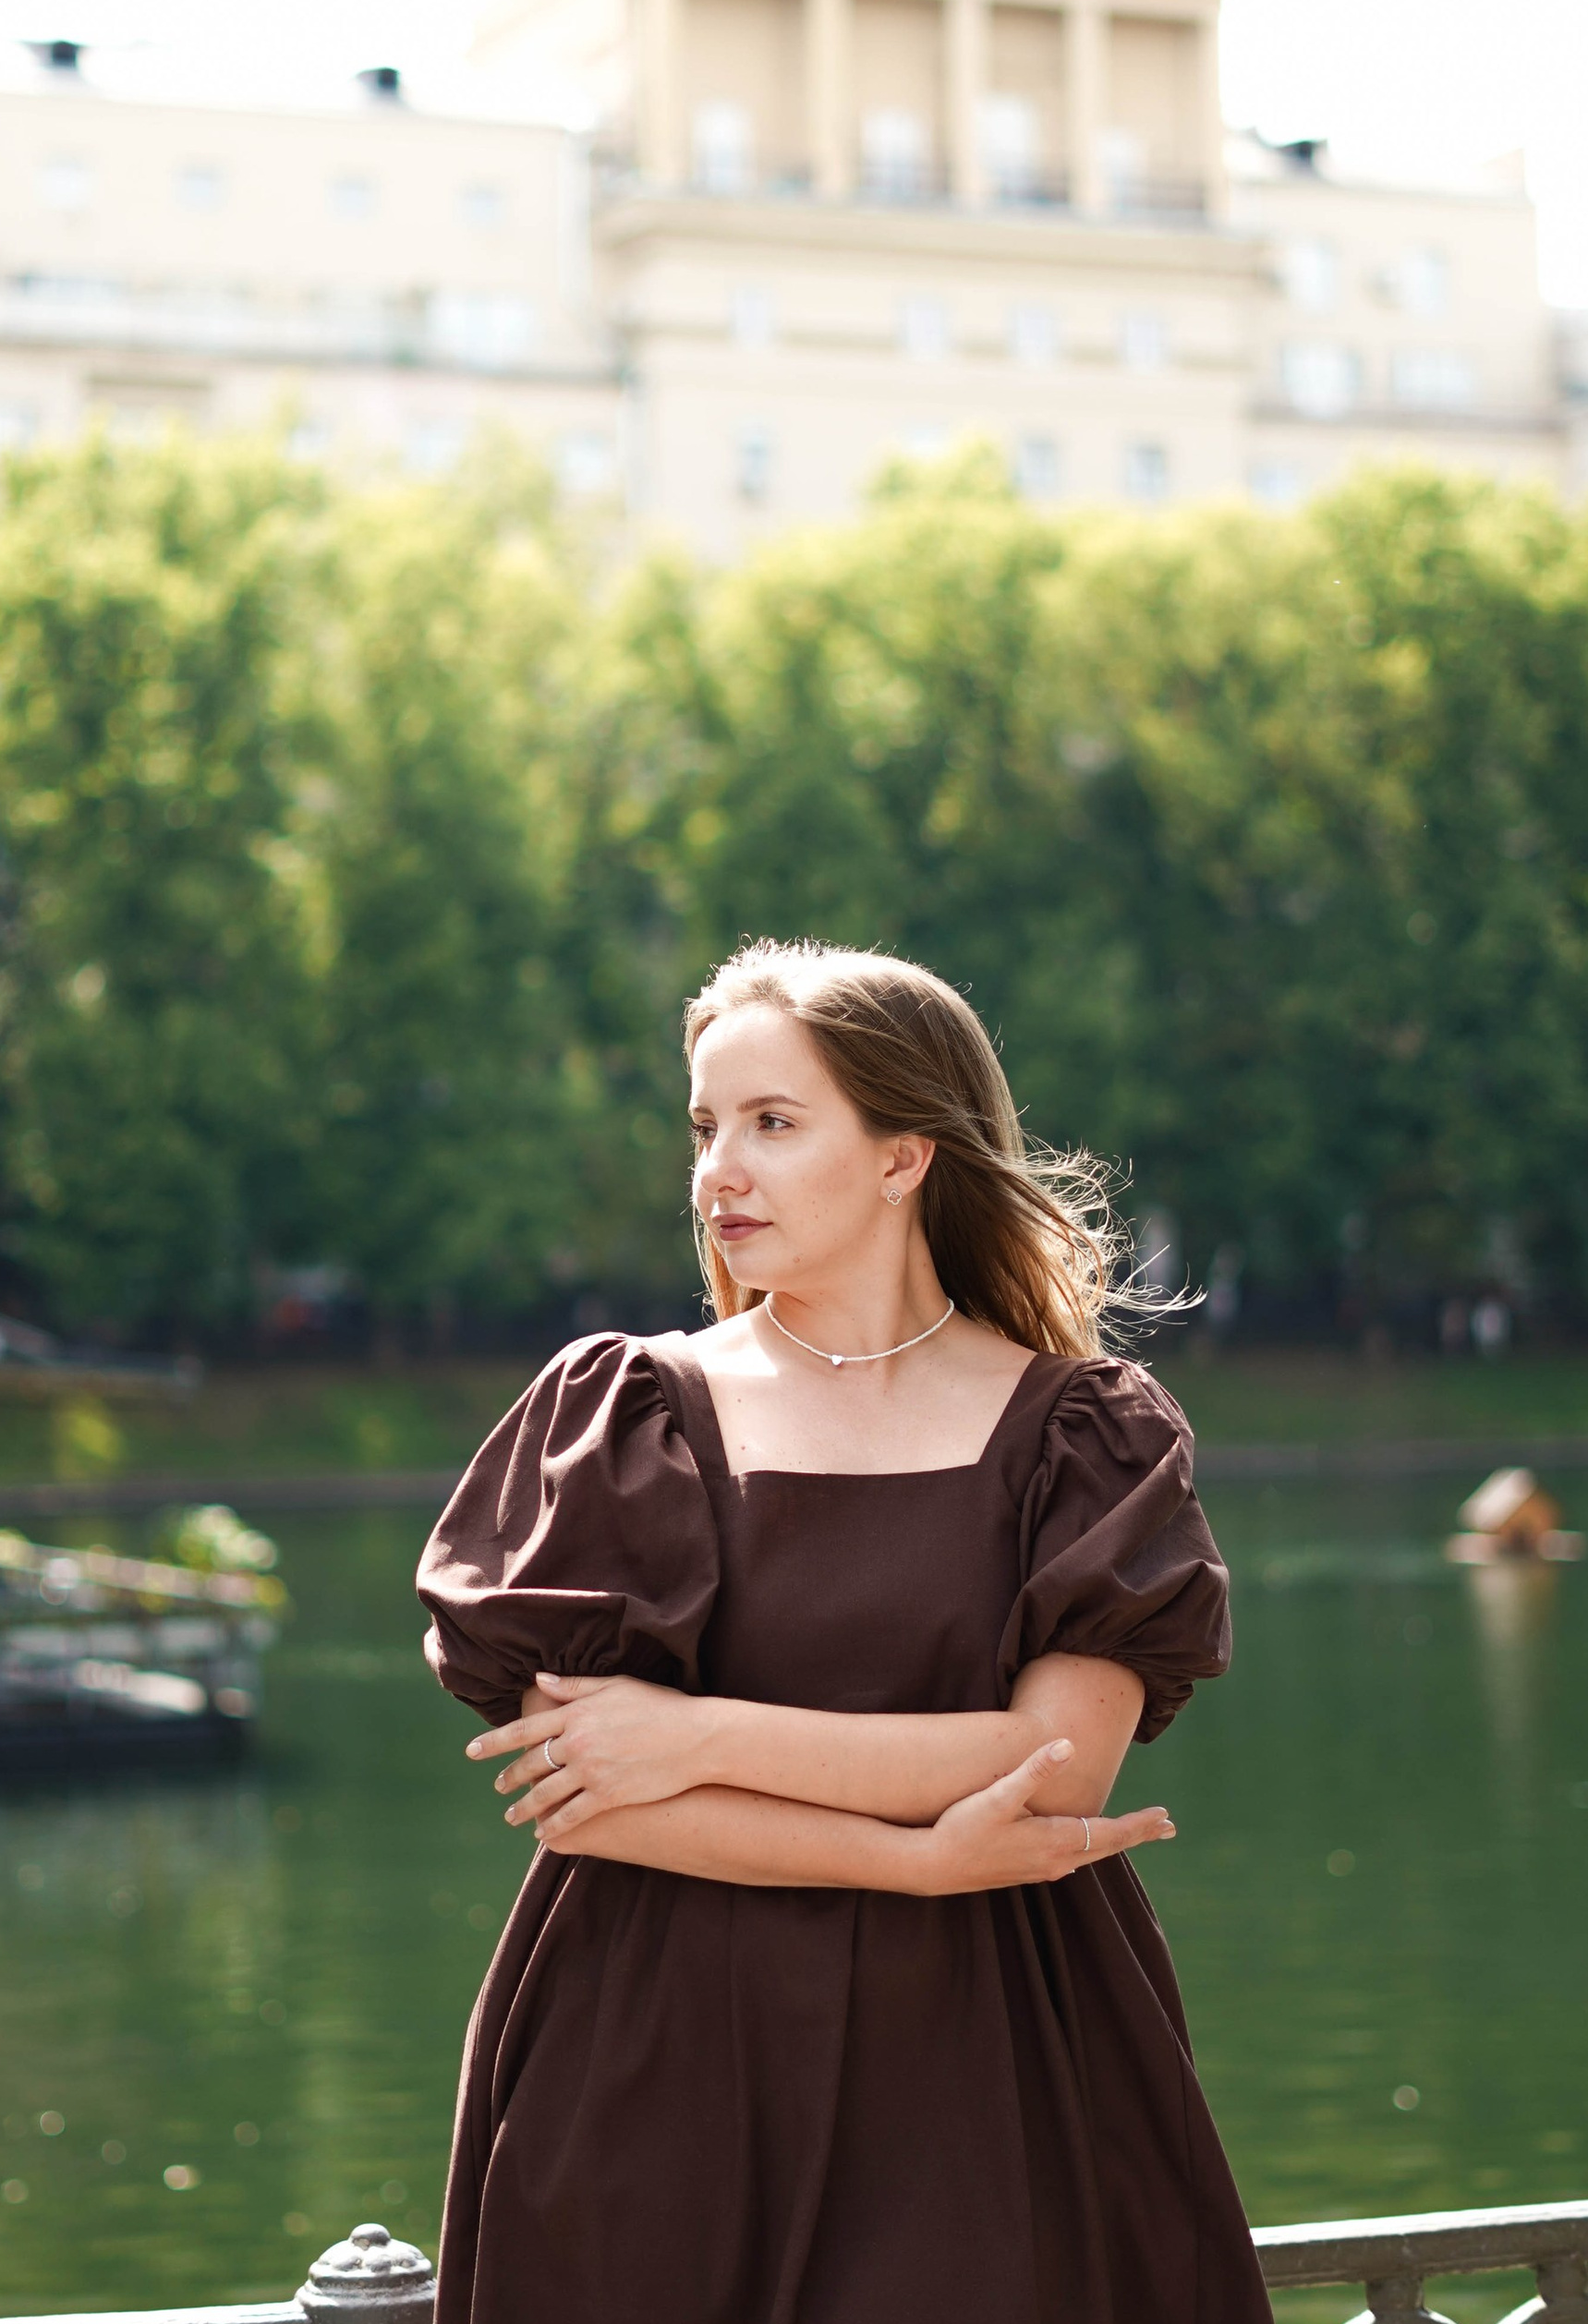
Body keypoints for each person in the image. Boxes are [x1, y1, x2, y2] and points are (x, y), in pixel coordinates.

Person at [416, 939, 1271, 2324]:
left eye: (771, 1123)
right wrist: (920, 1860)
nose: (717, 1173)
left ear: (903, 1154)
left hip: (991, 2050)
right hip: (657, 2056)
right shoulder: (625, 1417)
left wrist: (693, 1735)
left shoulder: (1084, 1433)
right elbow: (585, 1802)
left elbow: (1057, 1767)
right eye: (704, 1128)